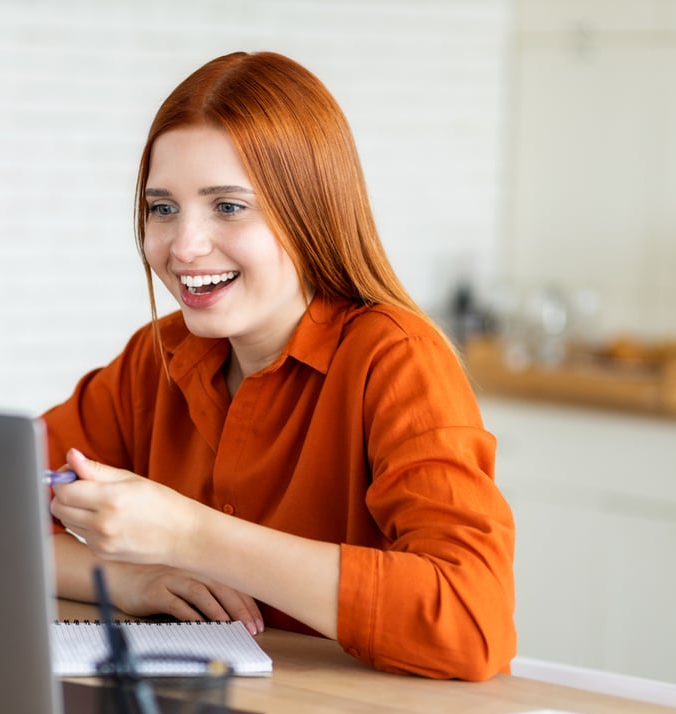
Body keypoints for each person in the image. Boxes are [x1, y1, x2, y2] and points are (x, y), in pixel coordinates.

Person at [43, 51, 515, 681]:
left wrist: (191, 536)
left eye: (228, 207)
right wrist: (129, 580)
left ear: (309, 212)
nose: (184, 246)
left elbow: (469, 620)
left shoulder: (396, 358)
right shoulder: (155, 357)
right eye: (163, 208)